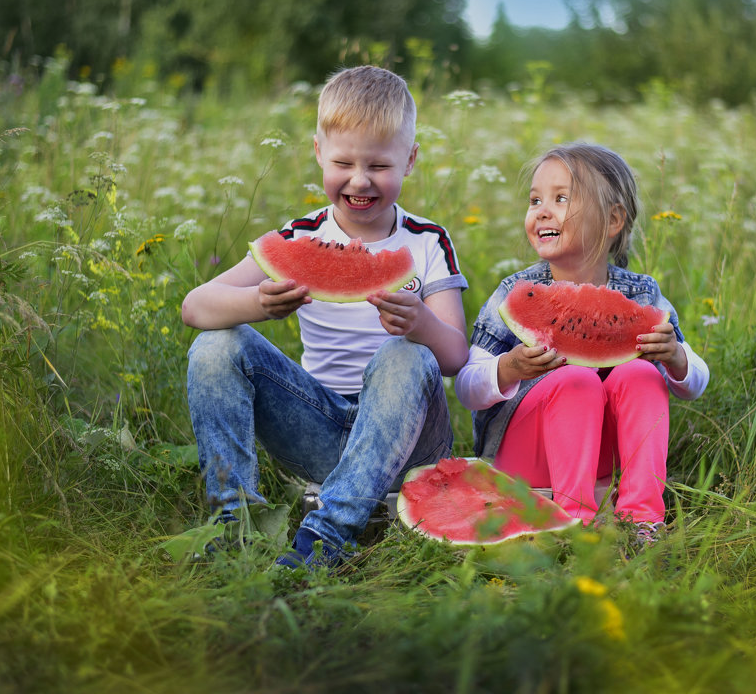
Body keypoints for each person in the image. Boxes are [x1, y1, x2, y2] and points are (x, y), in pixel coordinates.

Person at [182, 66, 469, 568]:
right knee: (215, 344)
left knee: (406, 354)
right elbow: (195, 307)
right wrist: (259, 304)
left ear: (411, 159)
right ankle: (234, 528)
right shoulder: (296, 238)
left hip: (411, 444)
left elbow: (454, 357)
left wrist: (420, 324)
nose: (360, 180)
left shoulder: (427, 242)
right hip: (321, 429)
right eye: (343, 162)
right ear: (318, 153)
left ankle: (327, 537)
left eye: (380, 166)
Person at [454, 142, 708, 543]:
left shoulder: (640, 295)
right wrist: (510, 368)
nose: (542, 210)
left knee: (641, 374)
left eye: (561, 198)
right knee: (579, 381)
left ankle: (643, 519)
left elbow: (696, 383)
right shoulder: (515, 292)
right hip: (524, 455)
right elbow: (467, 387)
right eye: (535, 199)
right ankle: (575, 524)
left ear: (612, 220)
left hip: (602, 461)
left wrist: (677, 358)